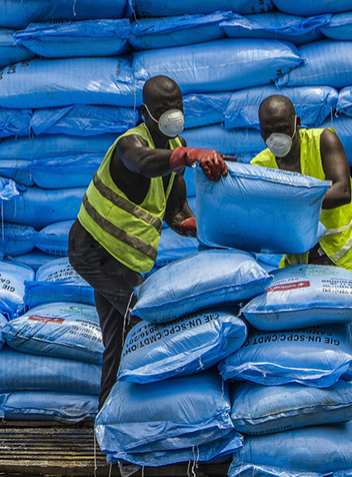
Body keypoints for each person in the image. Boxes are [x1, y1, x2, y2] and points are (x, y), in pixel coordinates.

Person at [68, 75, 234, 407]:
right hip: (92, 250)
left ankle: (107, 420)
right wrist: (190, 155)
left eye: (177, 106)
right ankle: (149, 410)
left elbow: (175, 212)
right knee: (144, 319)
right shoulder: (131, 144)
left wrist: (207, 227)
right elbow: (144, 164)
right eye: (163, 108)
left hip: (124, 261)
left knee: (118, 341)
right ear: (146, 112)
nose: (173, 114)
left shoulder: (176, 148)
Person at [252, 94, 352, 276]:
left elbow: (343, 191)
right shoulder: (259, 166)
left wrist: (292, 201)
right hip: (298, 257)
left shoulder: (324, 141)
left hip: (337, 253)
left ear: (297, 123)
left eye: (282, 129)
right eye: (268, 131)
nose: (275, 137)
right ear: (260, 132)